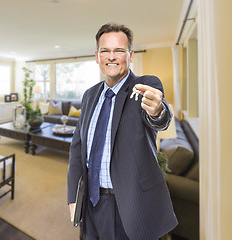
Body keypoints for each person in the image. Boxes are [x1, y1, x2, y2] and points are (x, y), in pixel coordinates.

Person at [67, 23, 178, 239]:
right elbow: (76, 149)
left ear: (130, 55)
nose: (111, 57)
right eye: (105, 50)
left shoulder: (144, 86)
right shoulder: (89, 95)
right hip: (90, 202)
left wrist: (158, 111)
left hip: (128, 206)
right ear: (97, 56)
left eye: (119, 50)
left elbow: (159, 118)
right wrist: (73, 197)